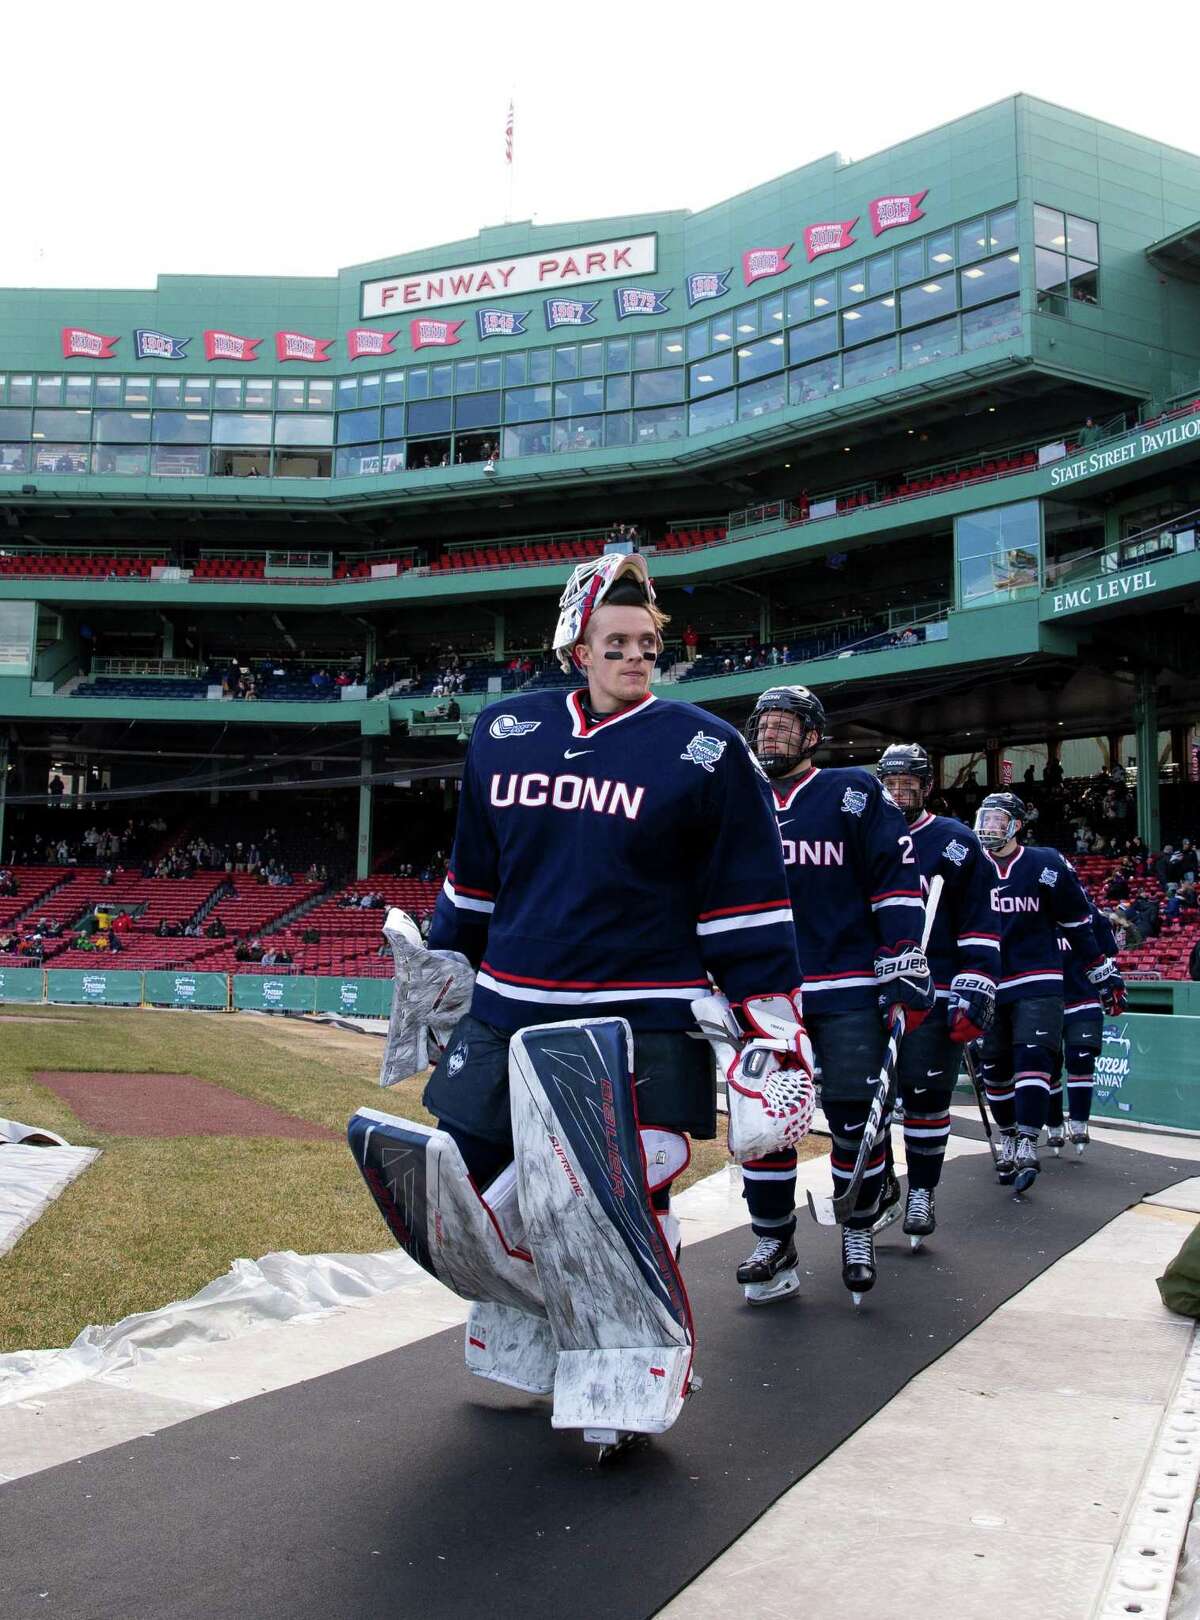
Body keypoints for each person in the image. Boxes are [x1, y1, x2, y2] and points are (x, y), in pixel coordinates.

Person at [348, 552, 810, 1455]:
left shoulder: (707, 750)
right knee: (457, 1179)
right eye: (617, 643)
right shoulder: (503, 731)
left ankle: (630, 1364)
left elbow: (747, 910)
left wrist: (772, 1032)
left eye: (648, 644)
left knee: (615, 1198)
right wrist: (443, 960)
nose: (636, 658)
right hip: (510, 1002)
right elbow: (475, 881)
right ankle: (530, 1325)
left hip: (639, 1015)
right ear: (575, 648)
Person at [739, 687, 933, 1305]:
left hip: (847, 984)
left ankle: (858, 1228)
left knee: (855, 1119)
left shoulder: (854, 790)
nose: (770, 735)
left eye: (783, 726)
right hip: (766, 991)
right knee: (763, 1124)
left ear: (813, 735)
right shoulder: (736, 798)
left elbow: (895, 878)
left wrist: (903, 954)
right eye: (764, 725)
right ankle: (774, 1238)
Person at [875, 743, 1000, 1245]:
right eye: (891, 781)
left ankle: (922, 1190)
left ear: (928, 787)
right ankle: (879, 1181)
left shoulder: (954, 840)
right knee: (866, 1100)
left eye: (910, 782)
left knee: (926, 1096)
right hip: (872, 989)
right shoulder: (864, 835)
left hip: (935, 989)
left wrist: (976, 983)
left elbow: (979, 919)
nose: (899, 790)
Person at [974, 792, 1124, 1192]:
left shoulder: (1046, 863)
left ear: (1016, 825)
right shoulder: (970, 863)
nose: (988, 827)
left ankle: (1026, 1139)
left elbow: (1079, 923)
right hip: (986, 981)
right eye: (985, 819)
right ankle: (1008, 1134)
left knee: (1034, 1056)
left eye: (997, 820)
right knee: (995, 1068)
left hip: (1037, 979)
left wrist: (1102, 972)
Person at [1046, 901, 1122, 1157]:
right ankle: (1054, 1122)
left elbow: (1109, 953)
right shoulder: (1032, 907)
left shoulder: (1090, 913)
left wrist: (1112, 983)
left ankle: (1079, 1121)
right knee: (1047, 1066)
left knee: (1081, 1057)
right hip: (1044, 998)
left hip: (1084, 996)